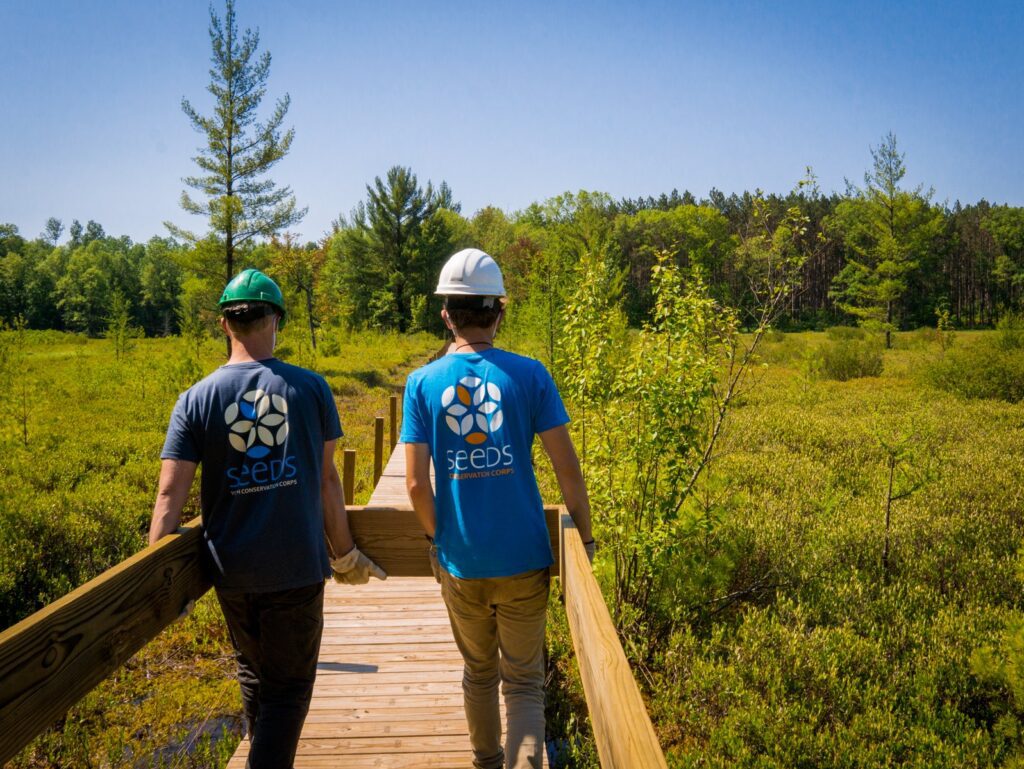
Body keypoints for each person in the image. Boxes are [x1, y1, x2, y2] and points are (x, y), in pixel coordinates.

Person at [147, 268, 385, 769]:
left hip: (231, 573)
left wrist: (160, 576)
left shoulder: (195, 398)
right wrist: (344, 554)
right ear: (275, 319)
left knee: (255, 676)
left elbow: (170, 492)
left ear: (224, 324)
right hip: (296, 568)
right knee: (290, 689)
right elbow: (326, 482)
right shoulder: (310, 388)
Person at [401, 248, 595, 769]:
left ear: (447, 314)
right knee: (525, 684)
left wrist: (439, 541)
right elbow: (568, 471)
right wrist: (588, 539)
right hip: (526, 557)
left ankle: (486, 763)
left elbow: (417, 486)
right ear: (500, 311)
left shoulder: (422, 384)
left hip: (462, 562)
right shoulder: (531, 375)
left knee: (479, 674)